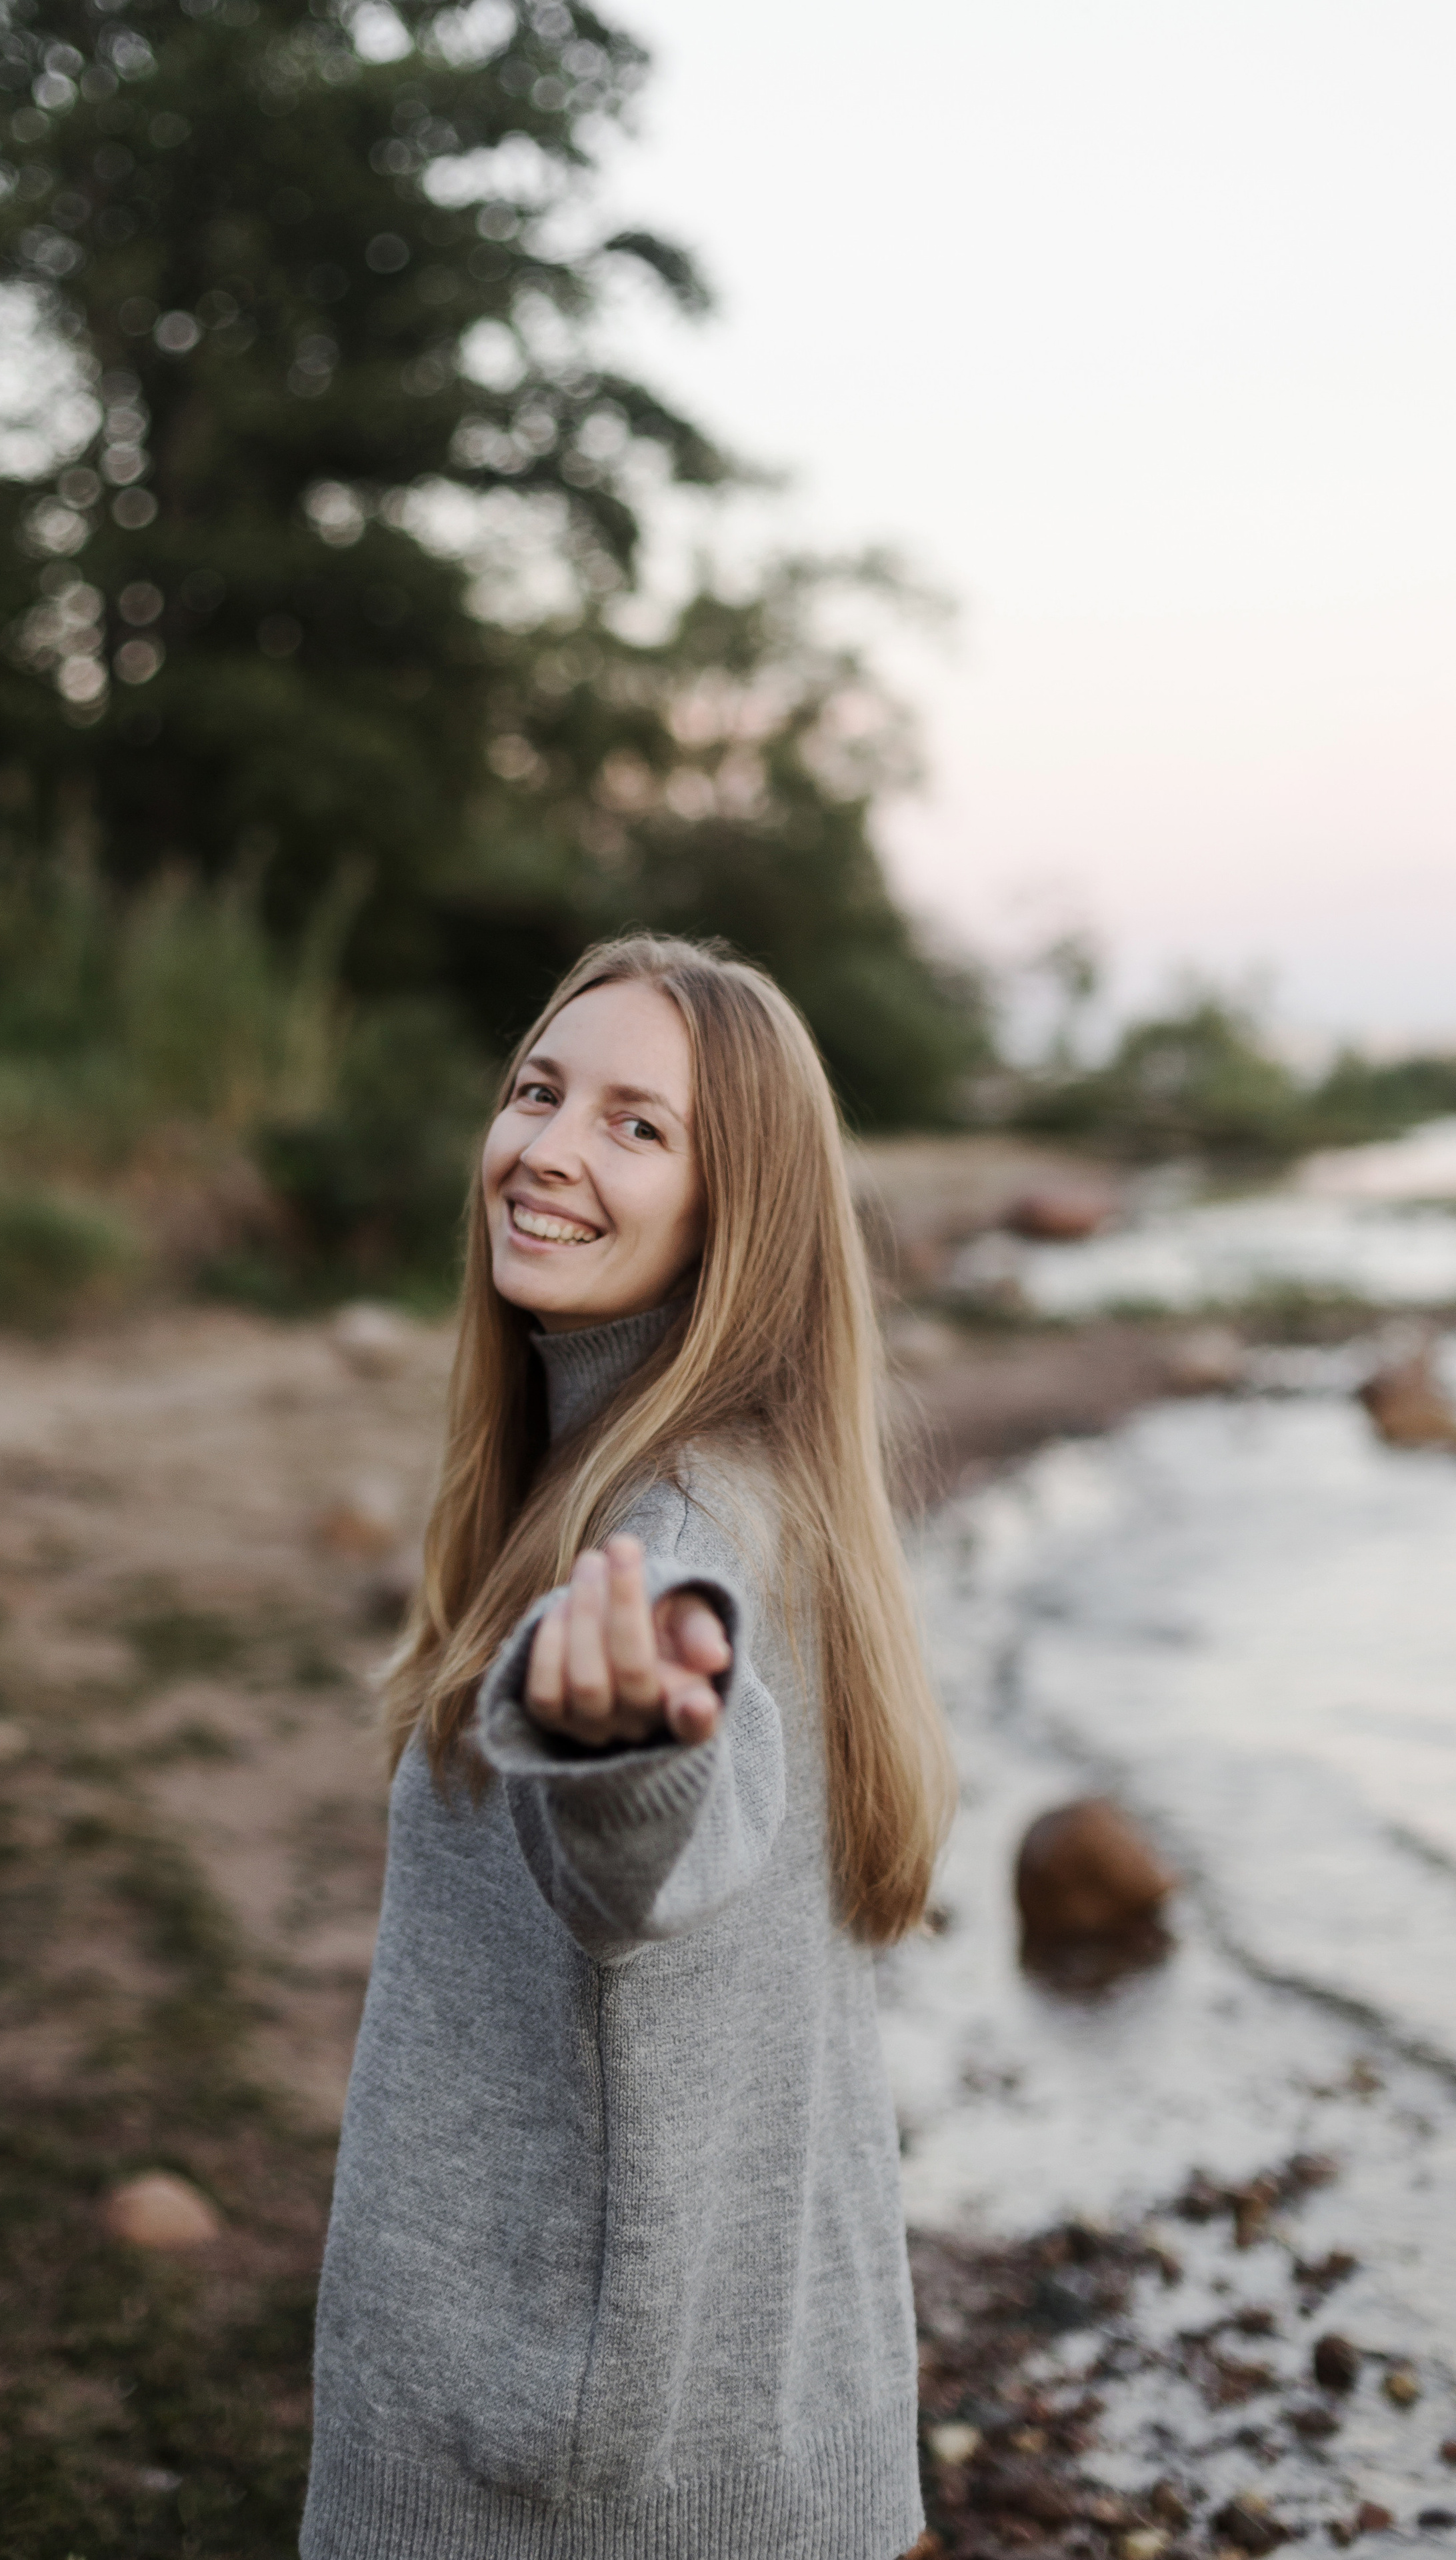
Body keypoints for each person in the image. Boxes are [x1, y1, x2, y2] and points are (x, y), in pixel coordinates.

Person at [301, 934, 954, 2560]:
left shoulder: (672, 1535)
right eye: (538, 1091)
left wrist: (622, 1753)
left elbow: (653, 1850)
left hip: (573, 2494)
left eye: (636, 1127)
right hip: (749, 2444)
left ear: (738, 1215)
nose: (547, 1150)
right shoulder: (725, 1481)